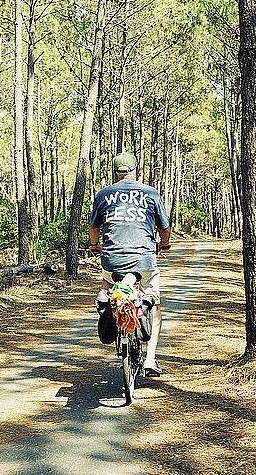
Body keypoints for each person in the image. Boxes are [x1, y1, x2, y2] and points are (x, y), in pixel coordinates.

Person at [89, 152, 171, 377]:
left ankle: (105, 298)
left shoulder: (103, 194)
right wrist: (164, 245)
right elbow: (164, 229)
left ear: (115, 172)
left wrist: (95, 245)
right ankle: (151, 359)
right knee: (153, 304)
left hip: (113, 260)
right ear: (136, 171)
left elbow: (94, 229)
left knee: (107, 283)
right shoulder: (151, 193)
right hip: (144, 260)